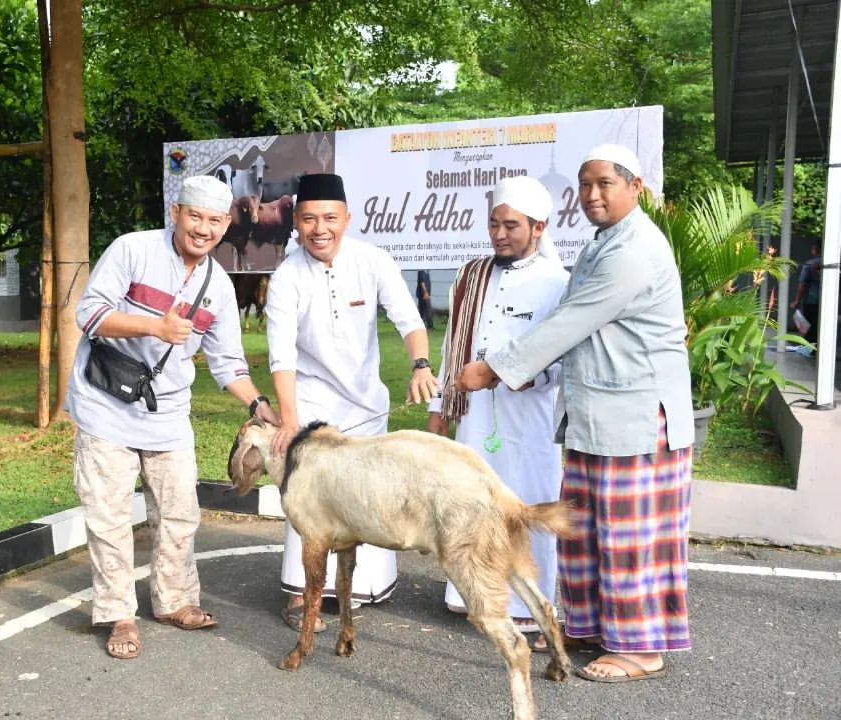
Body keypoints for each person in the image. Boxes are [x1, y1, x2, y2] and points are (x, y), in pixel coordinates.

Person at [455, 144, 694, 683]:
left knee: (629, 539)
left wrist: (494, 369)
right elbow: (567, 317)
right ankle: (589, 627)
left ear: (635, 187)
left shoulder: (634, 249)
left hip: (637, 417)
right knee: (585, 530)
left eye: (605, 183)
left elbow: (572, 321)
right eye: (585, 184)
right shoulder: (601, 244)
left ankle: (639, 649)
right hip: (596, 413)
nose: (592, 195)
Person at [66, 175, 279, 660]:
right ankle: (119, 613)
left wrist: (259, 404)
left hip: (166, 411)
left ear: (226, 225)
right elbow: (90, 314)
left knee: (180, 512)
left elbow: (228, 362)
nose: (203, 229)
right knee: (109, 516)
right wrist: (154, 326)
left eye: (214, 221)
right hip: (103, 403)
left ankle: (173, 600)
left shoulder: (217, 285)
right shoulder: (132, 249)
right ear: (176, 213)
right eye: (194, 216)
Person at [264, 172, 438, 631]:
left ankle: (361, 587)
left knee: (365, 494)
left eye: (329, 218)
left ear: (347, 218)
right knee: (308, 496)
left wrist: (421, 365)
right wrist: (289, 419)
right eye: (308, 219)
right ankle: (301, 594)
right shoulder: (286, 277)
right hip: (311, 403)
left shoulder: (372, 260)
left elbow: (408, 320)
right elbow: (281, 354)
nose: (319, 229)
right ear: (296, 222)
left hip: (365, 404)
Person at [427, 176, 569, 637]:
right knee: (472, 503)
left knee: (527, 506)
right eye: (494, 224)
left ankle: (530, 602)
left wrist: (515, 375)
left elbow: (562, 358)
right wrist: (438, 410)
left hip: (529, 419)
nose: (500, 234)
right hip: (473, 414)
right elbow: (452, 348)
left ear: (539, 227)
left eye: (511, 226)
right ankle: (471, 594)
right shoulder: (471, 275)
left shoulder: (558, 283)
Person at [791, 243, 822, 350]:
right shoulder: (827, 264)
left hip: (811, 300)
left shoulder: (809, 264)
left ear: (815, 250)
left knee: (808, 326)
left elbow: (803, 284)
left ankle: (809, 349)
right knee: (819, 325)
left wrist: (797, 300)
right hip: (825, 301)